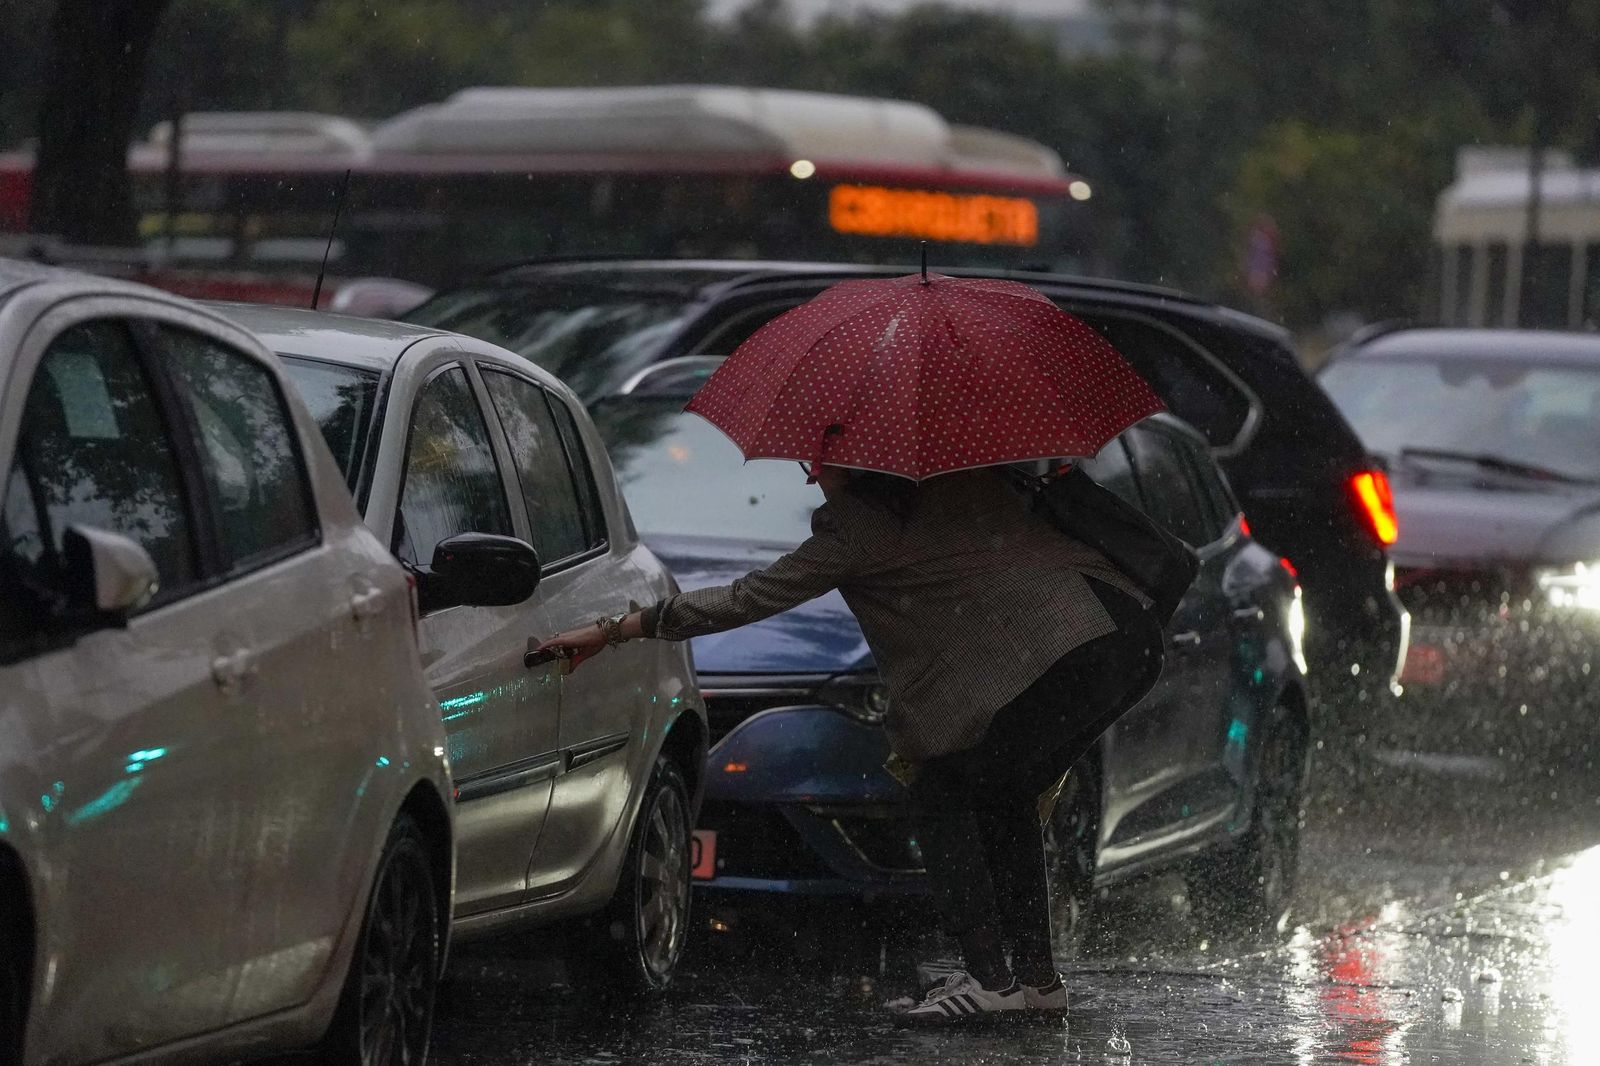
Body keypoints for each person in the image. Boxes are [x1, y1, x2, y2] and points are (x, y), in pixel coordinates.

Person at [537, 462, 1164, 1025]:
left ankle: (992, 979)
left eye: (821, 460)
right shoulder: (965, 479)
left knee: (947, 787)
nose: (811, 474)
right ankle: (1032, 982)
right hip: (1126, 634)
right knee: (1004, 795)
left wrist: (614, 630)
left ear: (863, 460)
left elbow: (746, 598)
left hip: (1078, 650)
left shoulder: (862, 529)